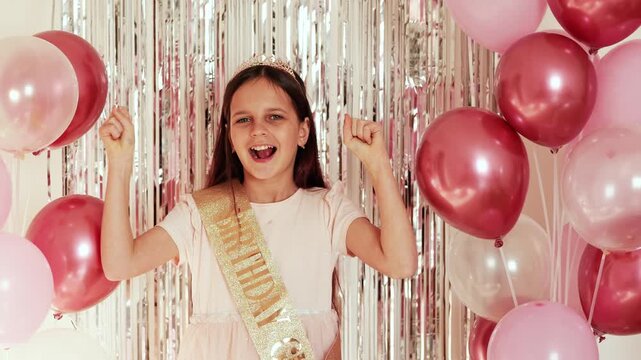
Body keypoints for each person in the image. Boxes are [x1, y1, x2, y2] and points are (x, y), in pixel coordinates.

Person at [99, 55, 418, 359]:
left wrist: (378, 164)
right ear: (230, 136)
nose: (258, 130)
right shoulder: (201, 214)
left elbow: (400, 263)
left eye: (275, 117)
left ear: (303, 131)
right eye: (243, 120)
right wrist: (120, 162)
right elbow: (120, 264)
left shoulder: (326, 209)